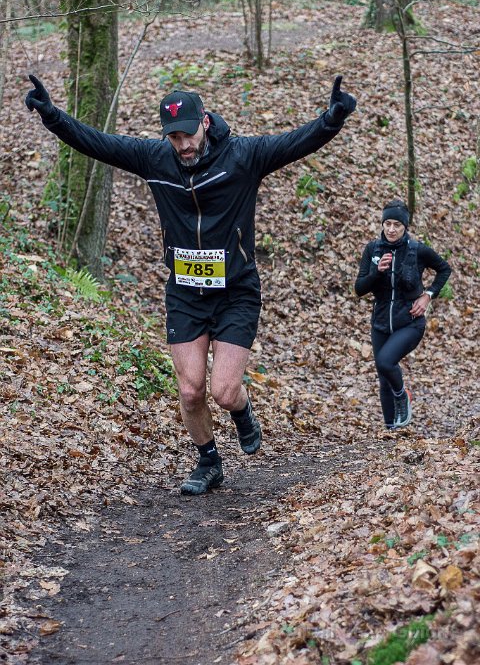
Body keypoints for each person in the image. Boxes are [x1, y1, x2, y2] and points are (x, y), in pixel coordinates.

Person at [25, 72, 356, 494]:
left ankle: (242, 409)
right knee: (190, 389)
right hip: (185, 293)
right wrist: (52, 116)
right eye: (174, 137)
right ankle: (209, 462)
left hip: (235, 291)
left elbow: (296, 142)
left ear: (205, 122)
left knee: (224, 391)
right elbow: (99, 144)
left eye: (188, 134)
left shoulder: (243, 156)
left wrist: (332, 119)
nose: (182, 145)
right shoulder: (154, 159)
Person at [354, 199, 451, 430]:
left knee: (385, 362)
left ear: (405, 226)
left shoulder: (417, 250)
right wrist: (377, 272)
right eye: (387, 223)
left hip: (410, 322)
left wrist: (428, 295)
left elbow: (444, 269)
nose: (391, 229)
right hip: (380, 323)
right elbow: (359, 289)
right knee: (383, 377)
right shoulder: (373, 249)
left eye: (397, 225)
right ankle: (392, 430)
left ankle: (402, 395)